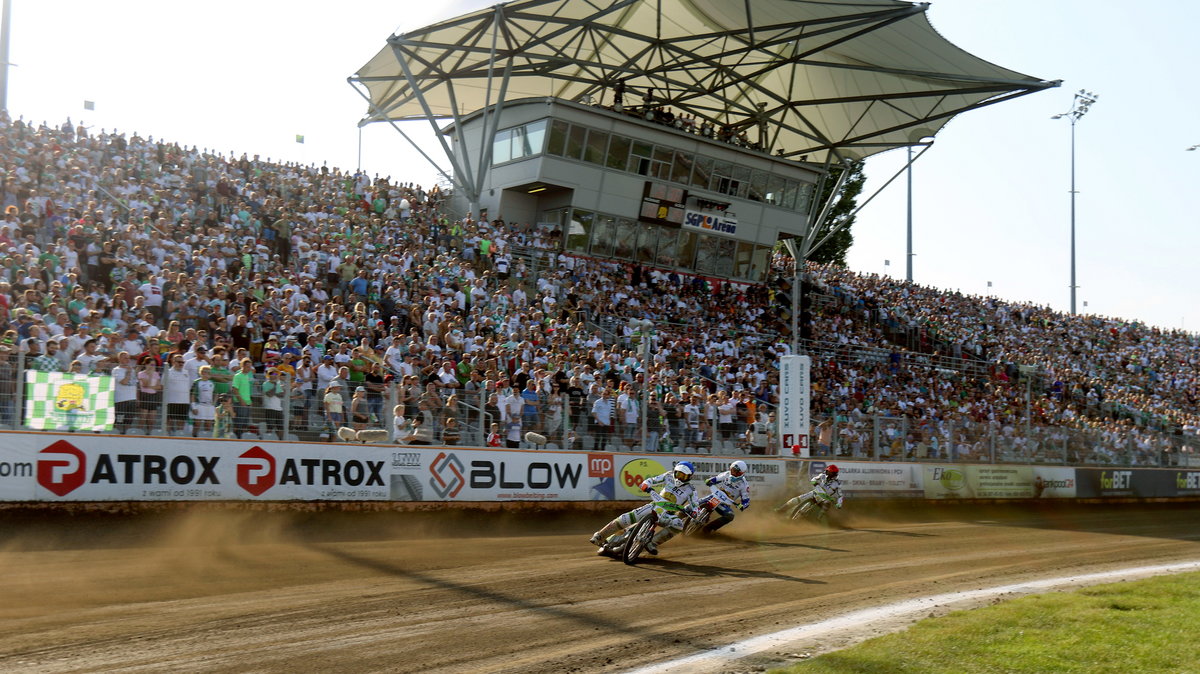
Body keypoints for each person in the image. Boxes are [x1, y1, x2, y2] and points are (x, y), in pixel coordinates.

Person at [589, 460, 699, 556]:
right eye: (678, 473)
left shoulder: (691, 490)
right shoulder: (668, 476)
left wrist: (694, 512)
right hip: (654, 506)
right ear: (674, 471)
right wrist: (645, 484)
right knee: (626, 518)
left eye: (683, 476)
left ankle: (652, 543)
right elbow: (652, 480)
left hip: (668, 515)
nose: (679, 477)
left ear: (689, 477)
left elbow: (696, 506)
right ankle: (600, 535)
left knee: (679, 524)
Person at [700, 460, 751, 534]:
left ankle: (708, 529)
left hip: (724, 503)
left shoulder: (744, 485)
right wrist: (709, 480)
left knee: (730, 516)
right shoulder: (726, 474)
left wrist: (742, 506)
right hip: (714, 496)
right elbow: (716, 479)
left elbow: (746, 500)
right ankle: (681, 518)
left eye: (736, 472)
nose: (733, 473)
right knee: (691, 506)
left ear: (741, 473)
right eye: (732, 470)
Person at [776, 464, 844, 515]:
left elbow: (840, 495)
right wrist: (814, 482)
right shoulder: (822, 475)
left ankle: (817, 521)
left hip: (824, 500)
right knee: (796, 499)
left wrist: (839, 504)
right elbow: (814, 479)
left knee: (814, 511)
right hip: (815, 493)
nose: (826, 472)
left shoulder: (837, 483)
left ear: (832, 473)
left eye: (829, 472)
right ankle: (781, 510)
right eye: (827, 471)